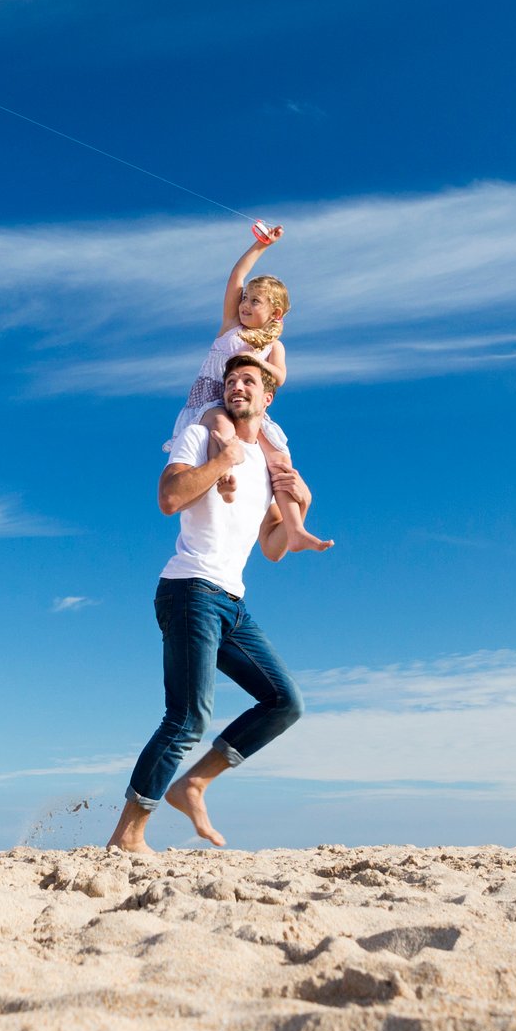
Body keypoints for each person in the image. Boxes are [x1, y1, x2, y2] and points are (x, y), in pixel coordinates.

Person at [109, 354, 314, 853]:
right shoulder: (202, 438)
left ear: (268, 397)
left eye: (248, 380)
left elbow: (270, 548)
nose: (237, 386)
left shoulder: (269, 466)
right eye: (230, 380)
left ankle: (194, 784)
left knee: (285, 702)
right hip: (189, 589)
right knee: (187, 717)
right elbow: (168, 497)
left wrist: (300, 507)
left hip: (231, 601)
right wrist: (223, 460)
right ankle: (127, 835)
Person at [167, 229, 331, 552]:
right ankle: (224, 481)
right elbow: (236, 276)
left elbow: (280, 376)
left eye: (254, 301)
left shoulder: (273, 346)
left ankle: (295, 527)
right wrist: (261, 245)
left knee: (280, 458)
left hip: (245, 407)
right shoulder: (231, 326)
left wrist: (253, 363)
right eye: (245, 299)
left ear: (275, 313)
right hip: (213, 397)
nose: (244, 304)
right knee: (221, 428)